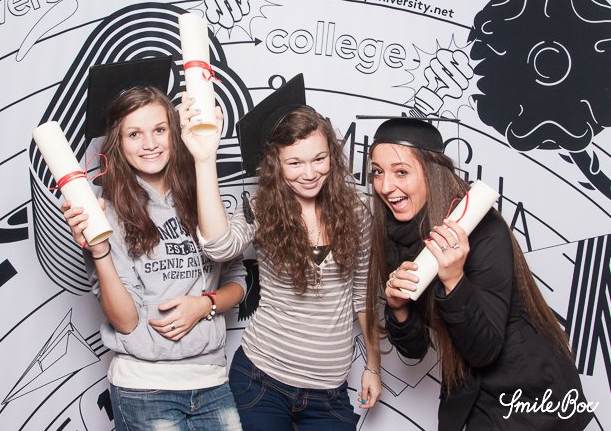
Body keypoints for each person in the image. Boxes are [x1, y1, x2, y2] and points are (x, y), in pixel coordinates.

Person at [180, 74, 382, 430]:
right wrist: (204, 159)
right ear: (276, 164)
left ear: (332, 155)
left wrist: (374, 367)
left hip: (329, 393)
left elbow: (363, 296)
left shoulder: (356, 212)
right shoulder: (261, 208)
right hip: (262, 381)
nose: (310, 173)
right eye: (295, 163)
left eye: (319, 158)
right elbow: (219, 246)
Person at [369, 117, 594, 430]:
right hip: (471, 394)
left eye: (401, 172)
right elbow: (415, 349)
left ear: (432, 172)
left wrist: (453, 280)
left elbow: (484, 351)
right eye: (377, 172)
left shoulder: (484, 231)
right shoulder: (396, 235)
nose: (385, 186)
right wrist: (398, 307)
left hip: (532, 397)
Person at [59, 56, 246, 430]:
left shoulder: (204, 196)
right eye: (134, 134)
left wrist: (204, 304)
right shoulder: (104, 213)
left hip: (211, 380)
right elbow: (126, 322)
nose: (149, 144)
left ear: (175, 132)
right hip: (144, 387)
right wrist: (99, 251)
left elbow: (238, 276)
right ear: (118, 143)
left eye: (159, 130)